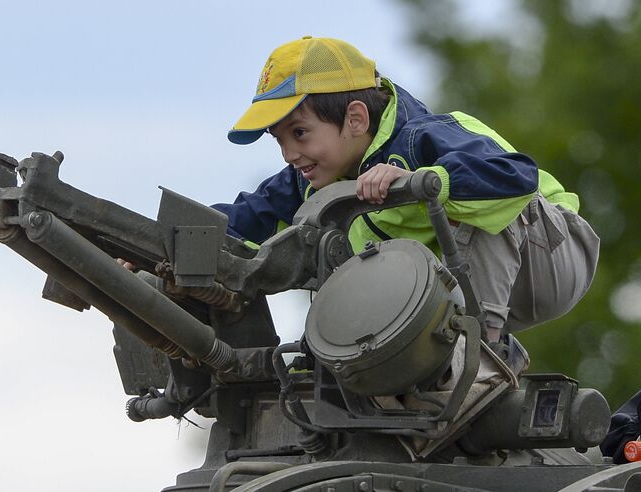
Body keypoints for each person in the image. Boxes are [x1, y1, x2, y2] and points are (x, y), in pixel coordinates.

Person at [210, 36, 600, 354]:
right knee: (328, 244)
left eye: (299, 133)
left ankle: (482, 357)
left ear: (357, 118)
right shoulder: (310, 181)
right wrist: (163, 241)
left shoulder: (427, 137)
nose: (289, 154)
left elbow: (516, 177)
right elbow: (244, 222)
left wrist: (422, 179)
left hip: (551, 255)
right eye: (279, 140)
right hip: (473, 285)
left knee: (475, 200)